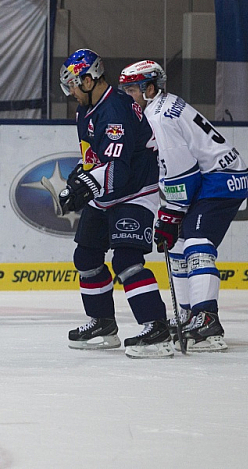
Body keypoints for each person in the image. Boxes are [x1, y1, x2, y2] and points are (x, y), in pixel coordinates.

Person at [119, 60, 248, 352]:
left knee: (197, 243)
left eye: (132, 90)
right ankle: (189, 316)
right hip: (211, 177)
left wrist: (168, 215)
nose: (128, 96)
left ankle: (206, 320)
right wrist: (171, 217)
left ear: (149, 88)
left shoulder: (160, 115)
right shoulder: (162, 106)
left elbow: (183, 173)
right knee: (177, 245)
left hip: (221, 179)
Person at [58, 48, 173, 359]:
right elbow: (94, 158)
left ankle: (157, 327)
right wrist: (79, 176)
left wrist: (85, 186)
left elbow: (118, 170)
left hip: (135, 190)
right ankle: (103, 324)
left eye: (72, 83)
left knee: (126, 260)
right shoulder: (85, 109)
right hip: (108, 192)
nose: (70, 91)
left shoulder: (115, 109)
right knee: (86, 257)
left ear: (89, 78)